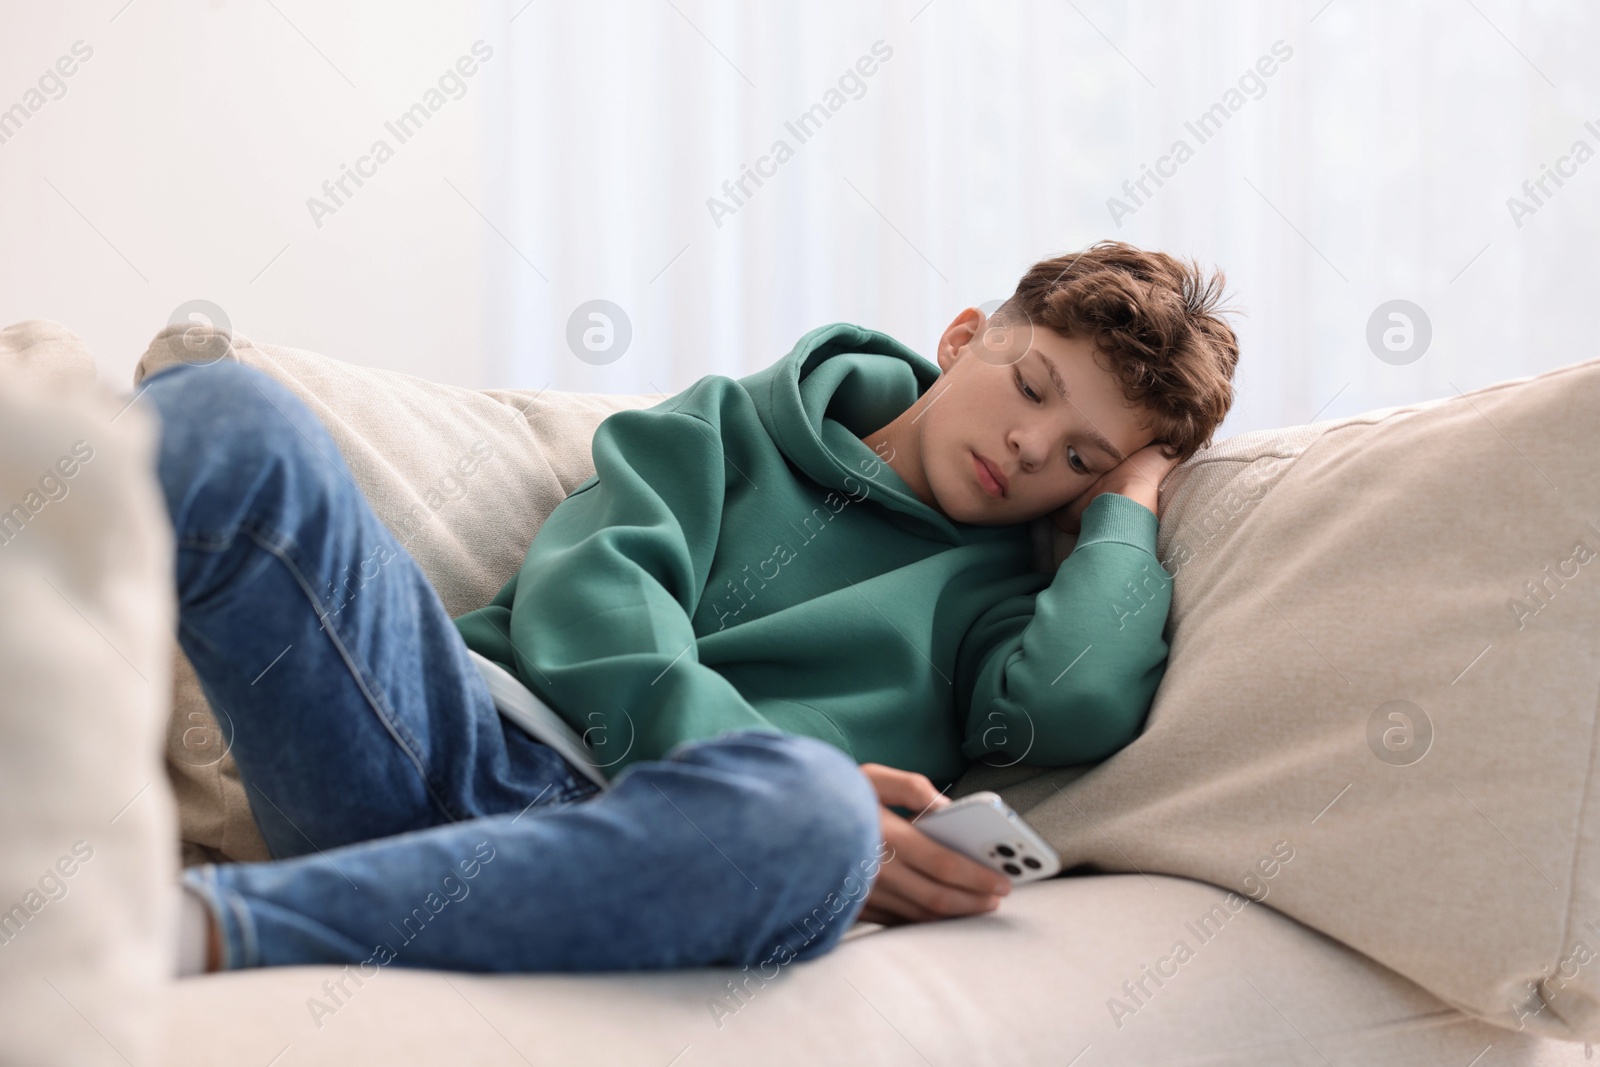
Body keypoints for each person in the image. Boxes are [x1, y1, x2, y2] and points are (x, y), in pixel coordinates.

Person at [160, 240, 1239, 975]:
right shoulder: (726, 426)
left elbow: (1079, 696)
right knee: (226, 410)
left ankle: (200, 931)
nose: (1027, 444)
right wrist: (723, 746)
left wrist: (1127, 506)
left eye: (1080, 456)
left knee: (817, 816)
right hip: (448, 739)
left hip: (687, 859)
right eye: (1032, 386)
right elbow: (592, 594)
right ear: (963, 338)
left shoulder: (1006, 597)